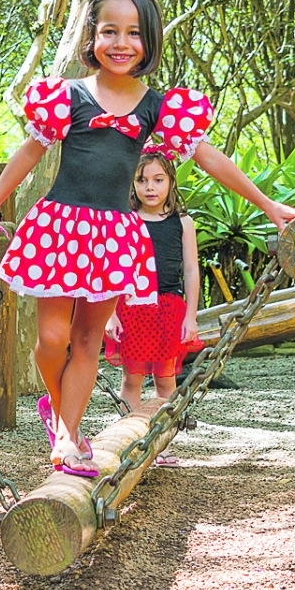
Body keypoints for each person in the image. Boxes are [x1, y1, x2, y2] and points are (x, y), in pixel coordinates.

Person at [0, 0, 295, 477]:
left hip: (111, 239)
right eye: (108, 31)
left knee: (87, 342)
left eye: (132, 33)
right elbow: (29, 152)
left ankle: (68, 440)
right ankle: (58, 413)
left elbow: (209, 157)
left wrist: (269, 205)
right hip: (59, 228)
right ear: (92, 36)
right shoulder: (67, 96)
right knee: (50, 341)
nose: (120, 43)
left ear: (148, 40)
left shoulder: (157, 105)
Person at [104, 152, 204, 410]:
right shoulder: (125, 220)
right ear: (132, 183)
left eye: (158, 180)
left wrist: (190, 316)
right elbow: (113, 269)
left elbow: (191, 270)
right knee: (131, 379)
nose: (149, 187)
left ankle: (162, 444)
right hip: (130, 307)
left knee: (166, 380)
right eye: (141, 180)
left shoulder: (183, 223)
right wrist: (110, 314)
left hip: (168, 309)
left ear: (170, 181)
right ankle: (130, 442)